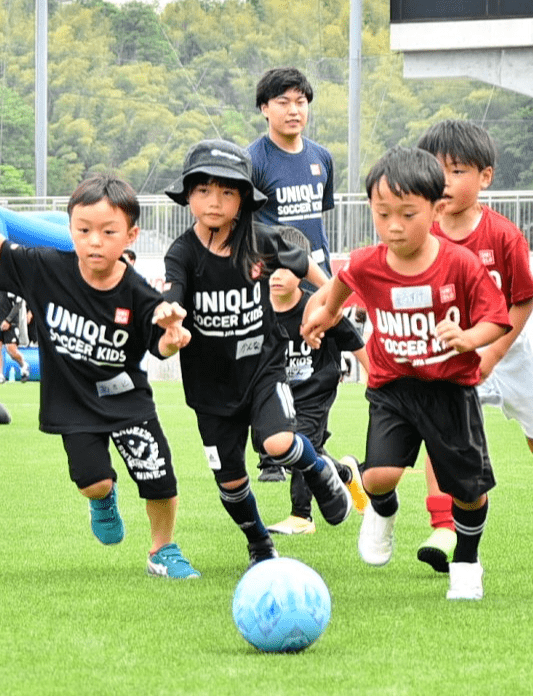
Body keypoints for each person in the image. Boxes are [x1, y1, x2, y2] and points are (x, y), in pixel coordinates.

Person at [301, 145, 512, 600]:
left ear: (436, 209)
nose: (394, 226)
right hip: (392, 386)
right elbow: (344, 280)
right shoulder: (368, 262)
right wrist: (327, 313)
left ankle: (467, 561)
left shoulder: (460, 264)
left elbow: (497, 318)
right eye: (383, 214)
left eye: (407, 214)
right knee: (379, 477)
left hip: (450, 390)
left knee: (467, 490)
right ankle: (383, 512)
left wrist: (468, 338)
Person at [0, 174, 200, 578]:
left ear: (131, 234)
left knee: (158, 476)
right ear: (70, 230)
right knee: (93, 482)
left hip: (127, 402)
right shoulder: (45, 269)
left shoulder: (140, 294)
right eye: (83, 230)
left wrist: (174, 335)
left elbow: (162, 343)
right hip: (72, 402)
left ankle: (163, 549)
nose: (94, 241)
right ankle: (103, 499)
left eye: (108, 231)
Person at [415, 120, 533, 574]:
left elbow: (523, 303)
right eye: (436, 172)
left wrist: (492, 354)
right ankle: (444, 526)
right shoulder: (421, 232)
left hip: (513, 345)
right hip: (455, 349)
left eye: (457, 171)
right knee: (442, 433)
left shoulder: (503, 236)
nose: (444, 183)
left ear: (486, 177)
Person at [162, 138, 352, 568]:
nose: (215, 202)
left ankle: (320, 471)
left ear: (244, 198)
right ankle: (259, 541)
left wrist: (328, 301)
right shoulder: (183, 252)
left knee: (280, 441)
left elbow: (304, 266)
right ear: (189, 196)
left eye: (227, 192)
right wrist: (172, 319)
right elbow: (173, 291)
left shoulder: (260, 239)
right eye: (205, 191)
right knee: (231, 480)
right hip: (210, 388)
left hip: (263, 371)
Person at [259, 226, 371, 533]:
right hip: (280, 393)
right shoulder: (260, 309)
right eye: (271, 267)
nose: (277, 275)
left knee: (301, 442)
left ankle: (301, 516)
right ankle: (345, 475)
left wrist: (373, 376)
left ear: (304, 269)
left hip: (315, 388)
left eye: (286, 268)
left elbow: (355, 340)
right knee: (282, 449)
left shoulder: (318, 308)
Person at [248, 67, 335, 275]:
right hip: (275, 278)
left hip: (318, 274)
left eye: (300, 101)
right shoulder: (252, 161)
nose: (294, 110)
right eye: (283, 102)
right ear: (264, 108)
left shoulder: (322, 157)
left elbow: (318, 218)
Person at [0, 279, 30, 382]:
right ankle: (0, 375)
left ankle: (24, 364)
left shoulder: (13, 282)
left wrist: (8, 320)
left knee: (10, 349)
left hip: (11, 323)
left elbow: (18, 304)